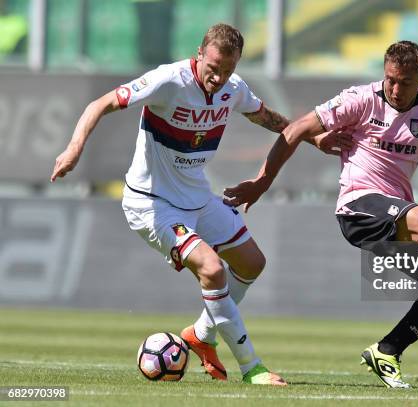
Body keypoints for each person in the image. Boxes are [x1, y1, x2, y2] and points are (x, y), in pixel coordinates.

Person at [50, 23, 347, 386]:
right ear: (200, 54)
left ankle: (201, 336)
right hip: (151, 204)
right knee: (211, 268)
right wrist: (74, 147)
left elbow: (267, 118)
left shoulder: (233, 89)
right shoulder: (169, 80)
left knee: (252, 263)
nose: (219, 77)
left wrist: (314, 139)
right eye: (214, 67)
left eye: (228, 70)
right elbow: (101, 103)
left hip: (197, 197)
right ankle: (251, 366)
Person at [224, 41, 418, 388]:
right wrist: (262, 182)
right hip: (358, 206)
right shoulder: (359, 99)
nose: (396, 89)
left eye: (405, 82)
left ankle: (387, 350)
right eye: (390, 80)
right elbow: (295, 130)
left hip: (394, 214)